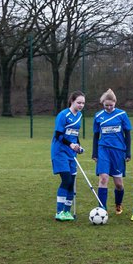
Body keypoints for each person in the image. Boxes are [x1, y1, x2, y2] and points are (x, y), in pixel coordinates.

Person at [92, 89, 132, 215]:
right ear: (102, 103)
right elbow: (95, 135)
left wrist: (128, 152)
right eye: (106, 105)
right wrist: (94, 153)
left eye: (111, 105)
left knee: (119, 184)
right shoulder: (98, 116)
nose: (109, 107)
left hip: (119, 151)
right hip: (103, 149)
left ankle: (118, 204)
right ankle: (102, 209)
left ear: (115, 102)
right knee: (103, 178)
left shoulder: (122, 115)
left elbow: (128, 135)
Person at [52, 91, 86, 220]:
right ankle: (59, 212)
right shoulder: (63, 115)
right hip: (60, 151)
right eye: (78, 102)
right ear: (72, 101)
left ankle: (67, 212)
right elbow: (58, 135)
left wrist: (78, 146)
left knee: (71, 182)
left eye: (83, 103)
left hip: (72, 153)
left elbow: (74, 135)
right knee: (66, 179)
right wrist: (71, 145)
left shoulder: (80, 116)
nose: (81, 105)